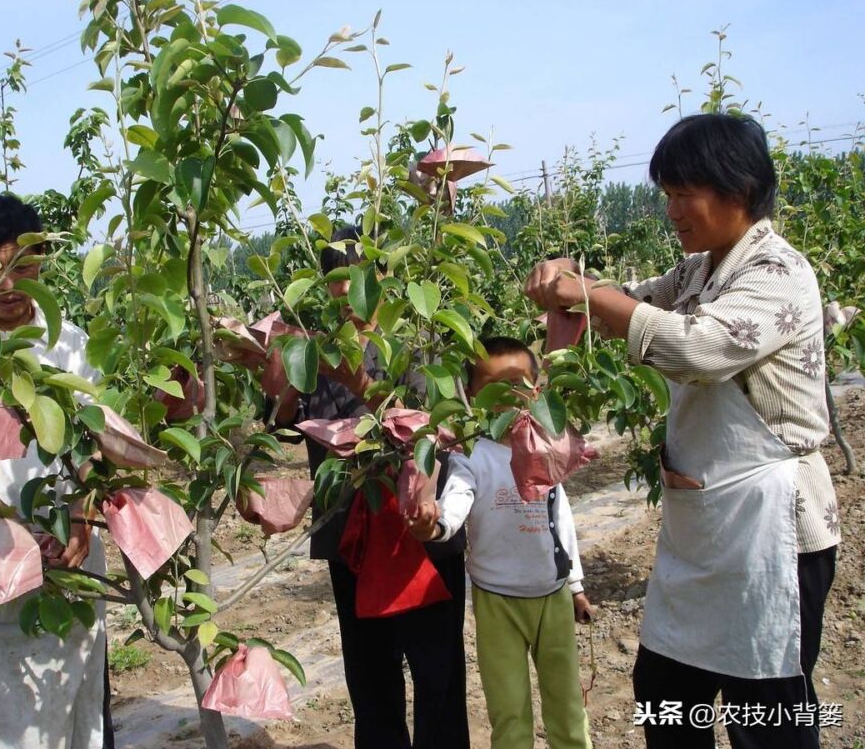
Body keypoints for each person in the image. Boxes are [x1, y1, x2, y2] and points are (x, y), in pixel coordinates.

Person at [525, 114, 840, 748]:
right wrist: (573, 288)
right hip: (705, 523)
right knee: (666, 691)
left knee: (767, 710)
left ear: (738, 188)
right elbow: (627, 301)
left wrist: (588, 293)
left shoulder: (778, 273)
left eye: (681, 193)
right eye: (666, 194)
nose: (671, 210)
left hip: (775, 526)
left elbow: (698, 347)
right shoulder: (698, 271)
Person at [269, 227, 471, 749]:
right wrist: (288, 372)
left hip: (421, 532)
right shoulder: (317, 354)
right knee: (371, 678)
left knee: (437, 678)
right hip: (353, 539)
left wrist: (369, 390)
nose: (348, 305)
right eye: (336, 292)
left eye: (356, 285)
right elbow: (282, 421)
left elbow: (439, 429)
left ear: (380, 276)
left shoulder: (419, 343)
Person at [0, 195, 112, 749]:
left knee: (79, 700)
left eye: (24, 268)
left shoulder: (70, 344)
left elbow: (95, 441)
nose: (9, 284)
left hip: (69, 553)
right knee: (4, 712)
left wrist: (83, 512)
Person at [406, 336, 594, 749]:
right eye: (494, 388)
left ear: (538, 387)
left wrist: (576, 585)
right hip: (497, 600)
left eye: (520, 385)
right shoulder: (471, 456)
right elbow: (457, 499)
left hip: (553, 593)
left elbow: (560, 516)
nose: (509, 398)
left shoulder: (546, 444)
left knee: (566, 704)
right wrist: (434, 527)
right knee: (508, 710)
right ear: (472, 395)